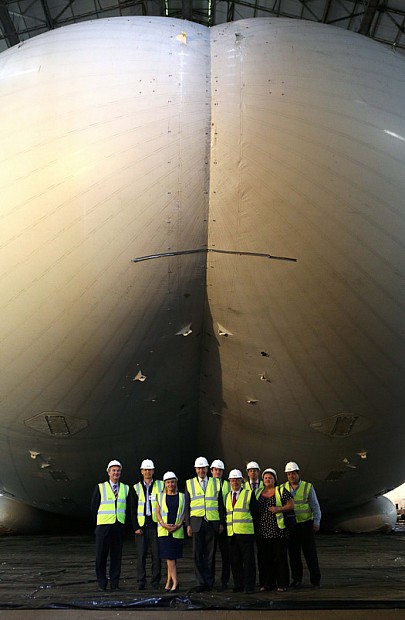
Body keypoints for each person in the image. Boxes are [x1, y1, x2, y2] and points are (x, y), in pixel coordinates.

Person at [185, 456, 225, 592]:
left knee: (210, 554)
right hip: (197, 523)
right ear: (196, 470)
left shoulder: (216, 483)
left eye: (204, 468)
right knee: (198, 554)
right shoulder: (189, 483)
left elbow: (220, 505)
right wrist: (188, 525)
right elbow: (187, 505)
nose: (201, 470)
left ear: (208, 469)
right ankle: (200, 582)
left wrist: (220, 523)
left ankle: (209, 582)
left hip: (212, 523)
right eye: (199, 468)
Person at [280, 461, 322, 588]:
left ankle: (315, 580)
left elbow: (315, 505)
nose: (291, 476)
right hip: (291, 526)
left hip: (305, 525)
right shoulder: (282, 488)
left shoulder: (307, 487)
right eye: (289, 474)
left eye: (293, 473)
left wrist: (316, 521)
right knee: (294, 555)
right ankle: (296, 579)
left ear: (298, 474)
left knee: (310, 554)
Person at [91, 459, 129, 591]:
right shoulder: (100, 487)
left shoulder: (125, 488)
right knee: (101, 556)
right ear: (108, 472)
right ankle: (102, 583)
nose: (116, 473)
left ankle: (115, 583)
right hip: (103, 527)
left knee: (116, 556)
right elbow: (94, 507)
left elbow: (128, 508)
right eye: (113, 470)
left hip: (118, 526)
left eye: (118, 471)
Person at [255, 467, 294, 592]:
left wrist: (278, 509)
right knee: (265, 559)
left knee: (280, 559)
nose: (267, 480)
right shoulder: (258, 492)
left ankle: (282, 584)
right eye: (265, 478)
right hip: (263, 532)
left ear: (274, 479)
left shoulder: (281, 491)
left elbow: (291, 505)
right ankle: (267, 583)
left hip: (278, 531)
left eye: (270, 478)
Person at [131, 458, 164, 590]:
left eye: (150, 469)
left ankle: (155, 582)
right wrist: (136, 527)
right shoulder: (136, 488)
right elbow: (132, 509)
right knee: (141, 555)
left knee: (157, 555)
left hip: (156, 525)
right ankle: (141, 581)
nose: (147, 472)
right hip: (142, 526)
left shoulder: (161, 485)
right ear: (141, 471)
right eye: (145, 470)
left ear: (153, 471)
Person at [226, 469, 257, 594]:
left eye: (237, 480)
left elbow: (255, 514)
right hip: (232, 534)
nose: (235, 483)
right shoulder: (228, 496)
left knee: (248, 561)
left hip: (246, 534)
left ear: (241, 481)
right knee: (235, 561)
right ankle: (238, 584)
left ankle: (249, 586)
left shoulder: (249, 494)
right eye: (232, 480)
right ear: (230, 482)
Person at [156, 471, 185, 592]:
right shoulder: (160, 495)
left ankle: (169, 581)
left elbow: (184, 512)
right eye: (168, 482)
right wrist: (164, 525)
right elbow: (157, 512)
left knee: (171, 558)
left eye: (172, 482)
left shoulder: (182, 496)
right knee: (169, 558)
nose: (170, 484)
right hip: (164, 531)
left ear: (176, 482)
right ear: (165, 484)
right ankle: (175, 582)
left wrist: (178, 525)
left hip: (177, 531)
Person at [210, 459, 231, 591]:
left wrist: (223, 523)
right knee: (210, 555)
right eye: (216, 470)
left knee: (226, 555)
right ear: (211, 471)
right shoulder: (206, 485)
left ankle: (225, 581)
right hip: (211, 524)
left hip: (226, 523)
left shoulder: (228, 485)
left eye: (220, 470)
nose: (218, 472)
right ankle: (210, 580)